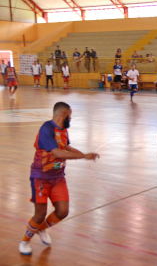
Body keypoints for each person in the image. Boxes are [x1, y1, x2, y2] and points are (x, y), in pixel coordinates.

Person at [18, 102, 99, 256]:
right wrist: (83, 156)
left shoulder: (63, 130)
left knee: (63, 211)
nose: (71, 118)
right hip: (40, 178)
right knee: (39, 214)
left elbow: (66, 147)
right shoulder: (46, 129)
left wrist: (85, 154)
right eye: (70, 114)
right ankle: (24, 241)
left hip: (58, 177)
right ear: (64, 114)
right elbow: (58, 153)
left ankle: (41, 229)